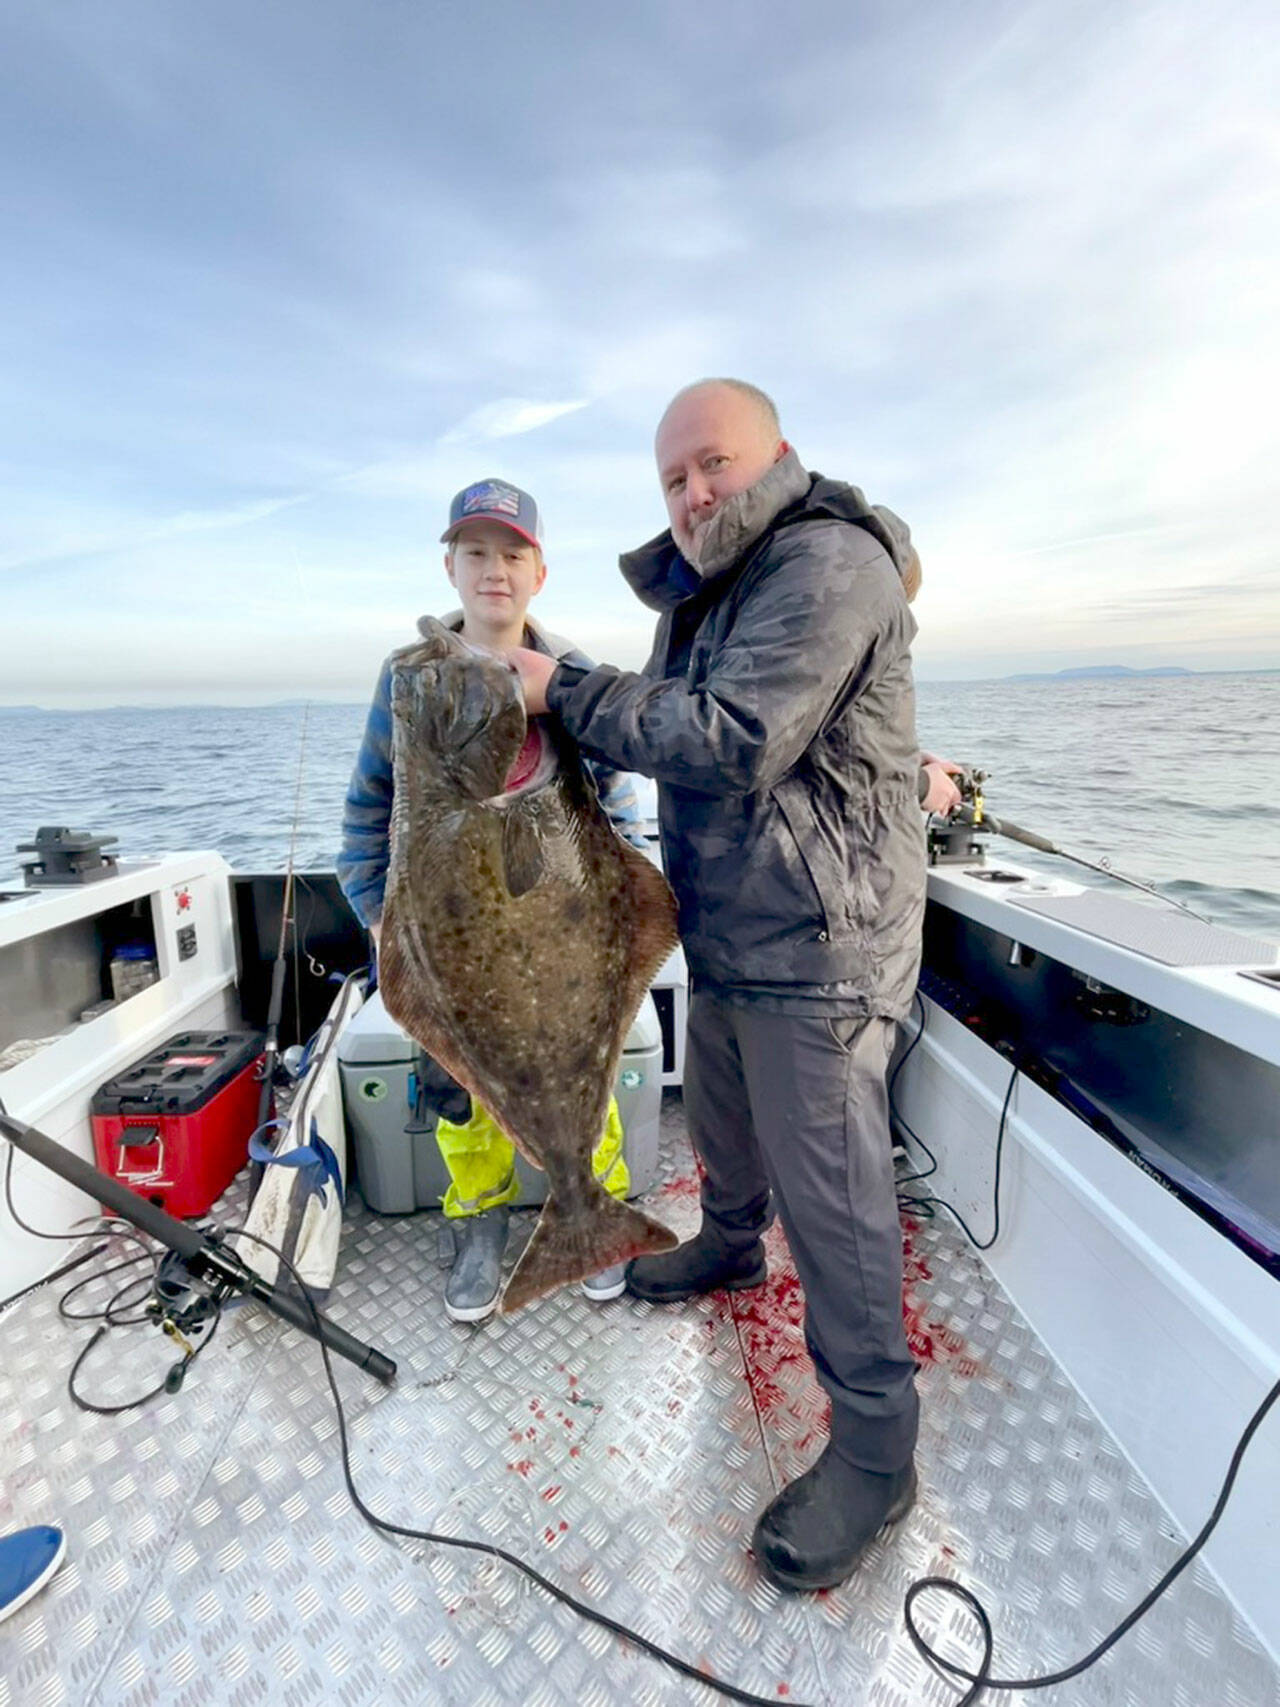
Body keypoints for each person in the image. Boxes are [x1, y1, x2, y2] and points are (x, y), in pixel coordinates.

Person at [512, 379, 928, 1592]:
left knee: (836, 1197)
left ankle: (874, 1448)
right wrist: (566, 692)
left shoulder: (825, 562)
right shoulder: (711, 590)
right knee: (730, 1119)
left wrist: (566, 689)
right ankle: (730, 1247)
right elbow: (675, 720)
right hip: (736, 924)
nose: (693, 494)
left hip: (823, 941)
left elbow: (733, 733)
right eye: (671, 481)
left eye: (713, 465)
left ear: (779, 456)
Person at [337, 478, 649, 1323]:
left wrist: (625, 921)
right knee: (460, 1090)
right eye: (475, 552)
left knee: (586, 1075)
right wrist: (381, 917)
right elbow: (369, 806)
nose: (494, 569)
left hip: (561, 935)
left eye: (512, 553)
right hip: (456, 934)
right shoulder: (408, 679)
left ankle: (594, 1208)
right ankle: (477, 1221)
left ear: (539, 571)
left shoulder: (577, 677)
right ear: (450, 565)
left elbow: (619, 814)